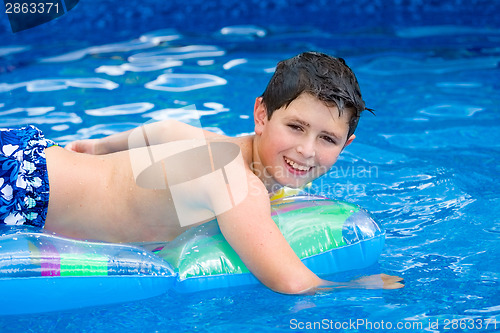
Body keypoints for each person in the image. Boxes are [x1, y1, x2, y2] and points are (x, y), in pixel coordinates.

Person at [0, 52, 403, 293]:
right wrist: (360, 289)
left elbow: (166, 130)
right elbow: (291, 282)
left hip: (32, 154)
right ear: (261, 114)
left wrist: (97, 147)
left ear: (345, 145)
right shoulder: (239, 186)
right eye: (295, 127)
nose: (306, 150)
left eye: (327, 139)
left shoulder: (217, 145)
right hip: (23, 194)